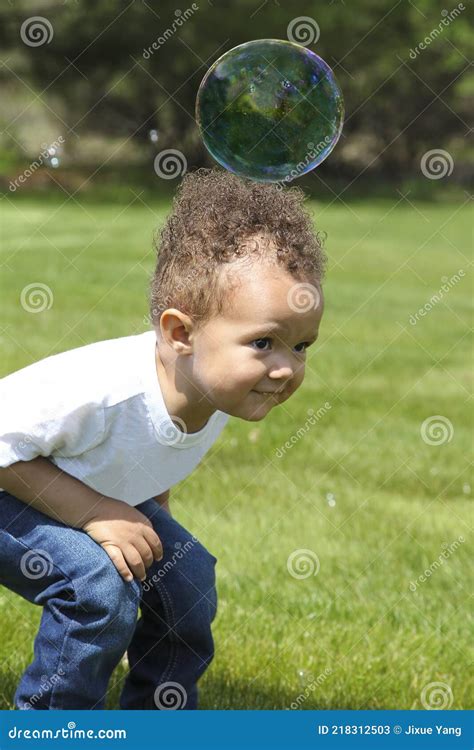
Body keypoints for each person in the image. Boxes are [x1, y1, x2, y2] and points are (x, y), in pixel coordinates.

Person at [0, 168, 326, 710]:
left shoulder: (217, 388)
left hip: (67, 496)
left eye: (302, 347)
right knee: (97, 586)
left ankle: (160, 717)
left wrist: (141, 521)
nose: (285, 368)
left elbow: (148, 464)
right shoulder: (108, 391)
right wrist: (97, 512)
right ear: (180, 334)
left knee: (187, 577)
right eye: (264, 342)